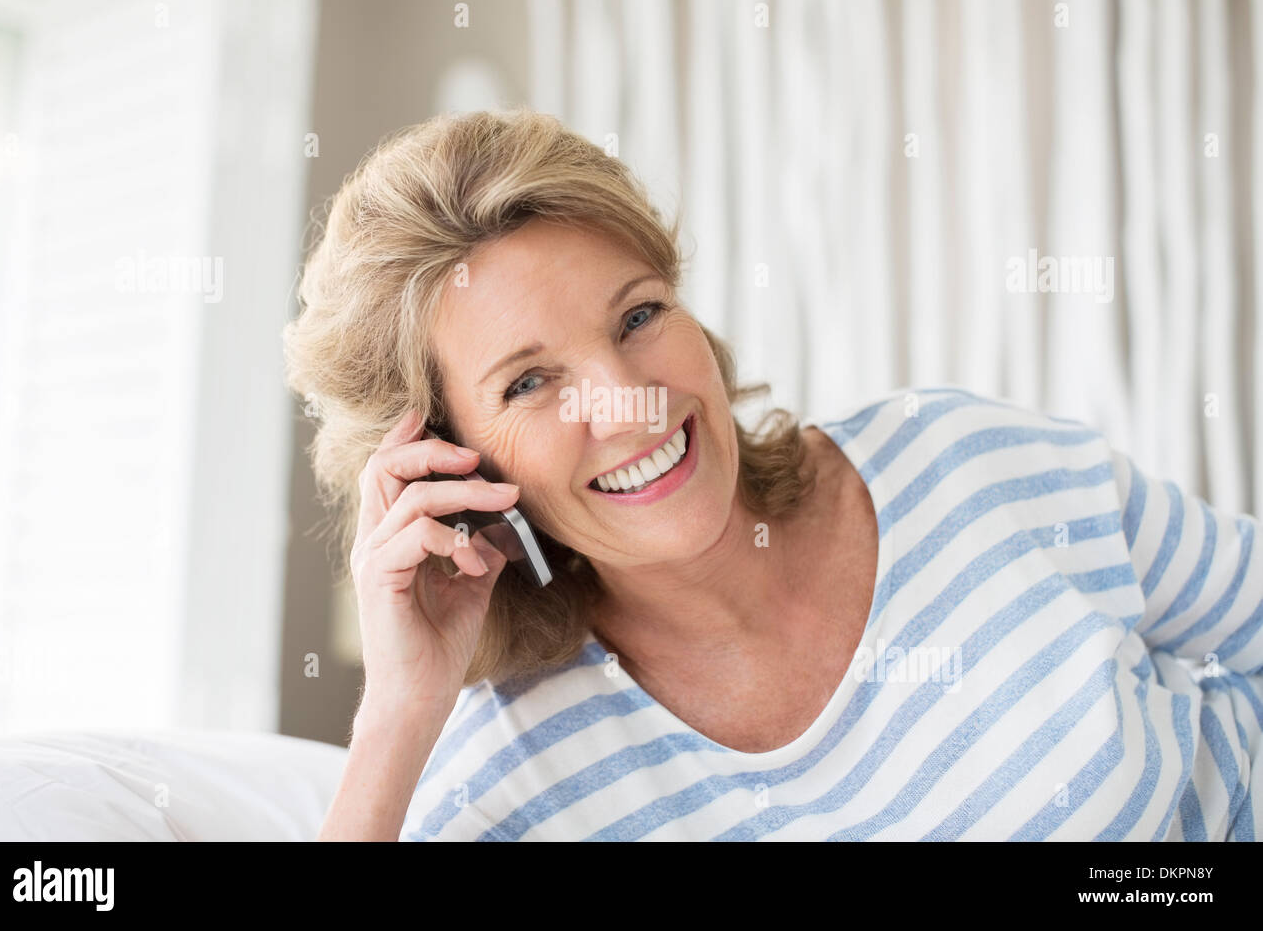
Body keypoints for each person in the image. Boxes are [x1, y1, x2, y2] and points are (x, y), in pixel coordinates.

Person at [283, 107, 1263, 841]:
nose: (630, 400)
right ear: (449, 462)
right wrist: (397, 718)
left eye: (636, 316)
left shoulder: (961, 460)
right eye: (533, 381)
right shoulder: (517, 780)